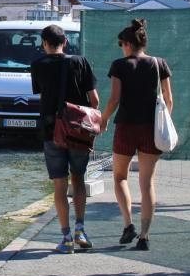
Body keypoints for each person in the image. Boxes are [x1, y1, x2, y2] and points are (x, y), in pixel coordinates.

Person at [100, 19, 173, 251]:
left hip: (126, 127)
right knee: (147, 182)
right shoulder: (159, 63)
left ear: (128, 44)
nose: (121, 47)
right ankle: (144, 236)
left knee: (120, 177)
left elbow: (114, 98)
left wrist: (103, 120)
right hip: (150, 129)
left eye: (121, 43)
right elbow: (168, 99)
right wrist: (163, 122)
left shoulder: (119, 66)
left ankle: (128, 224)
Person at [30, 24, 99, 254]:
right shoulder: (81, 62)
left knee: (59, 184)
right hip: (79, 132)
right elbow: (95, 100)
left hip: (52, 132)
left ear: (44, 44)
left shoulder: (38, 65)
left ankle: (66, 237)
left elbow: (42, 94)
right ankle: (81, 228)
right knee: (78, 179)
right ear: (66, 42)